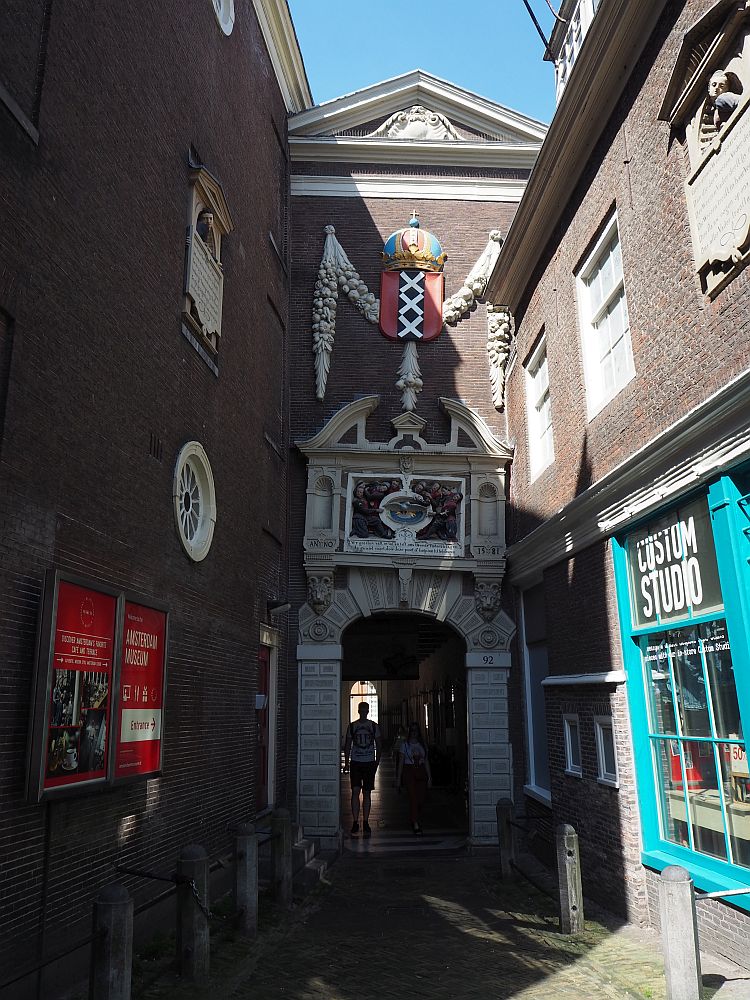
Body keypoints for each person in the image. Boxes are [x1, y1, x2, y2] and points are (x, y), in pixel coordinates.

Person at [344, 702, 382, 837]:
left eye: (365, 710)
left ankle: (365, 821)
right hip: (357, 762)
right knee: (355, 791)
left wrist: (377, 761)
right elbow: (348, 745)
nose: (364, 712)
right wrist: (347, 762)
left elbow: (379, 743)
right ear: (360, 711)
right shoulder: (353, 726)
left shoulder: (372, 726)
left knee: (366, 792)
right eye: (362, 710)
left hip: (367, 762)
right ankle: (356, 821)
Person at [396, 722, 432, 835]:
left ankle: (414, 815)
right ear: (409, 732)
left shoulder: (423, 745)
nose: (414, 732)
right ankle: (415, 823)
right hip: (409, 771)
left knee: (421, 798)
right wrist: (398, 778)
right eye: (412, 730)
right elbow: (401, 762)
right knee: (413, 797)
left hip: (421, 771)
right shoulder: (404, 745)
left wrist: (430, 777)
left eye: (416, 730)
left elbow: (426, 761)